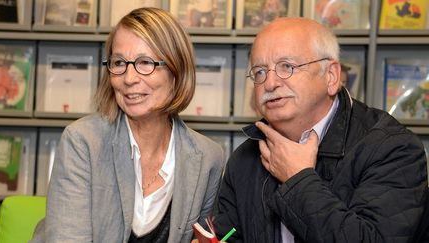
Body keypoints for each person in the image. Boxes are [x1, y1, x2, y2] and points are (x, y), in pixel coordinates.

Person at [211, 17, 428, 242]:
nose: (270, 83)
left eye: (287, 66)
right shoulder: (246, 157)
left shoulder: (391, 148)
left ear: (331, 76)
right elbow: (228, 234)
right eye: (259, 72)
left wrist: (298, 179)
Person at [30, 7, 225, 243]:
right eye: (119, 62)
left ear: (177, 71)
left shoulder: (208, 158)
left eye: (145, 62)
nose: (129, 78)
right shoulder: (82, 141)